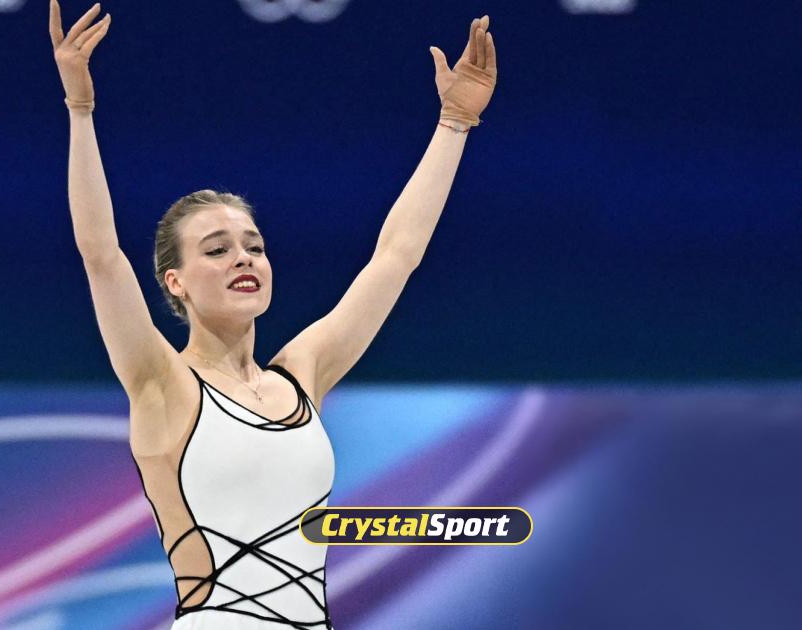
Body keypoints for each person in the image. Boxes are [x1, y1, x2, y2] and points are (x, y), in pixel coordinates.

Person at [48, 1, 497, 627]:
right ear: (175, 282)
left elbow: (396, 256)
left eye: (254, 246)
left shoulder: (301, 374)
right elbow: (100, 254)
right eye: (217, 250)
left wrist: (454, 123)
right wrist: (80, 108)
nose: (244, 258)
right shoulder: (161, 384)